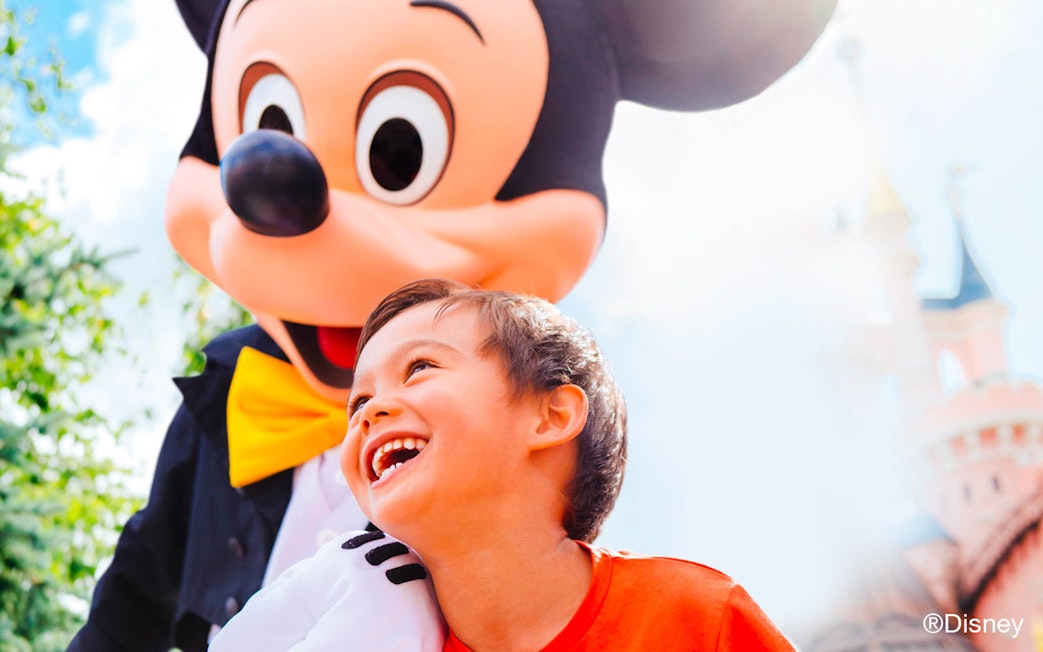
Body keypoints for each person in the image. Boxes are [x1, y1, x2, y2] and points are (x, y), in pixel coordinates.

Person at [214, 278, 796, 651]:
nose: (371, 412)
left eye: (419, 368)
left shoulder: (695, 618)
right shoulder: (381, 638)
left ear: (549, 417)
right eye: (359, 403)